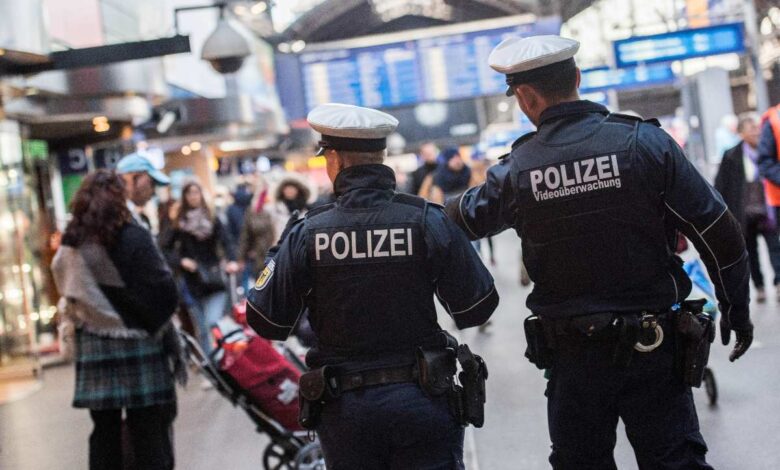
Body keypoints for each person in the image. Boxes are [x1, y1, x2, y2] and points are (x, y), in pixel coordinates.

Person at [445, 35, 752, 469]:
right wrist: (736, 306)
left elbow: (455, 221)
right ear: (577, 78)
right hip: (654, 349)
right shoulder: (647, 144)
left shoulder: (516, 172)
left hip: (574, 361)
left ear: (526, 97)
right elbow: (721, 233)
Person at [246, 103, 498, 469]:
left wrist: (278, 253)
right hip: (422, 398)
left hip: (346, 410)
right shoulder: (425, 219)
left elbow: (265, 320)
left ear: (335, 160)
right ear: (380, 157)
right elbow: (478, 306)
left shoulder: (307, 232)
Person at [51, 170, 181, 470]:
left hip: (94, 342)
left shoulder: (72, 241)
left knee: (104, 429)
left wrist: (92, 313)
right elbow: (163, 289)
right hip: (139, 343)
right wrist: (152, 323)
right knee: (148, 427)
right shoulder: (133, 235)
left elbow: (65, 280)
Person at [162, 181, 238, 354]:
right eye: (189, 193)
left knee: (213, 322)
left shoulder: (212, 217)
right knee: (202, 328)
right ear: (185, 197)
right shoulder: (178, 223)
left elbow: (227, 241)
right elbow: (164, 248)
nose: (193, 196)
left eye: (196, 192)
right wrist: (181, 261)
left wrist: (231, 260)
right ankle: (209, 363)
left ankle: (224, 358)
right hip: (192, 281)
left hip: (214, 277)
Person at [715, 112, 780, 303]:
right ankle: (759, 286)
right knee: (750, 251)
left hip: (766, 208)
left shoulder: (768, 150)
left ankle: (778, 282)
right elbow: (721, 185)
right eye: (751, 130)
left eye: (758, 129)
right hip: (743, 212)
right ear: (741, 133)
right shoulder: (731, 155)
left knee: (775, 246)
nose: (756, 133)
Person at [116, 152, 171, 230]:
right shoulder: (117, 218)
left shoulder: (133, 216)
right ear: (134, 177)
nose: (153, 192)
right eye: (152, 183)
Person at [267, 176, 311, 241]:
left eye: (293, 187)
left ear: (299, 190)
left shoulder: (306, 211)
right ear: (282, 190)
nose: (290, 190)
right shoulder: (274, 209)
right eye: (287, 188)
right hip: (279, 247)